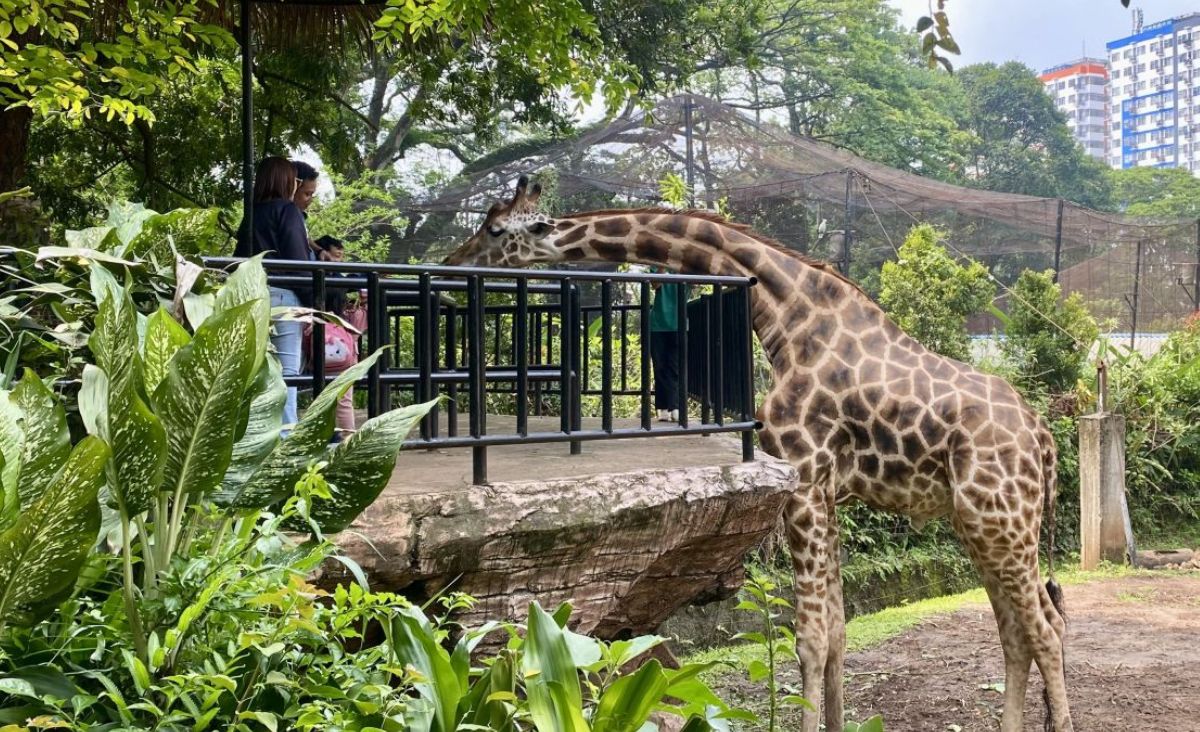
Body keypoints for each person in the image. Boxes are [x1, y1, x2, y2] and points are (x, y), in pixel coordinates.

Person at [235, 156, 312, 429]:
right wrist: (315, 303)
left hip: (251, 298)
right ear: (286, 180)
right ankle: (284, 439)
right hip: (283, 297)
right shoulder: (287, 211)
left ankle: (256, 437)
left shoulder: (252, 214)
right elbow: (298, 264)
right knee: (287, 373)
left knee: (256, 371)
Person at [310, 236, 363, 438]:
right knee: (344, 397)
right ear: (324, 253)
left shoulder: (310, 275)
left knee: (321, 392)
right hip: (341, 341)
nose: (339, 259)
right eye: (336, 254)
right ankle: (349, 439)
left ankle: (326, 435)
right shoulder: (336, 279)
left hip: (316, 341)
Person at [649, 268, 683, 422]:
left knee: (675, 367)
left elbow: (696, 283)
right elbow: (655, 284)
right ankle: (662, 408)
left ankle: (675, 407)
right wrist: (661, 267)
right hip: (658, 324)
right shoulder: (655, 266)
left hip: (679, 324)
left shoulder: (684, 266)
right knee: (659, 367)